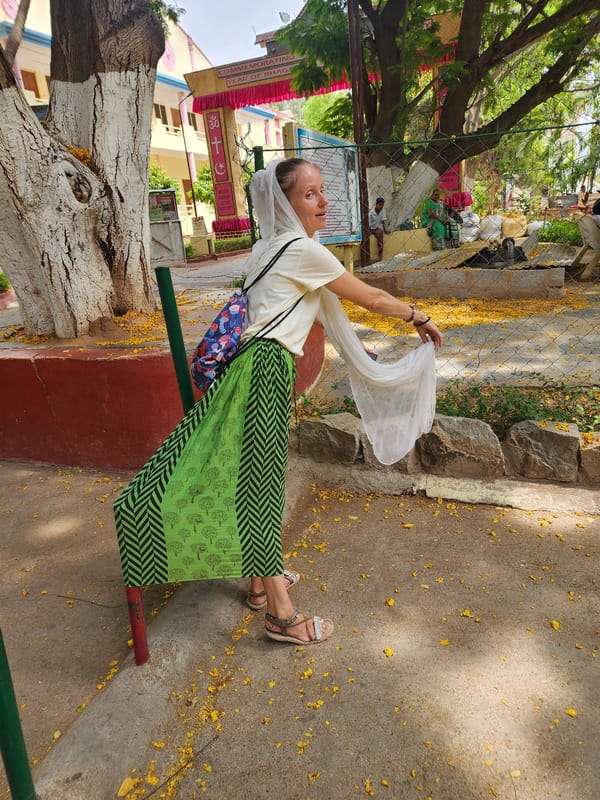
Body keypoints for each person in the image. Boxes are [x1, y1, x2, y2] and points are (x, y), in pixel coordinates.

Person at [114, 158, 442, 647]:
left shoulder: (265, 248)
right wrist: (418, 316)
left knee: (252, 479)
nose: (323, 201)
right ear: (284, 204)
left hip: (250, 367)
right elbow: (371, 298)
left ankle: (257, 584)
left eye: (321, 191)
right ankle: (281, 616)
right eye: (309, 195)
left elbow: (296, 310)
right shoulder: (303, 251)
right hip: (265, 371)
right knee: (261, 488)